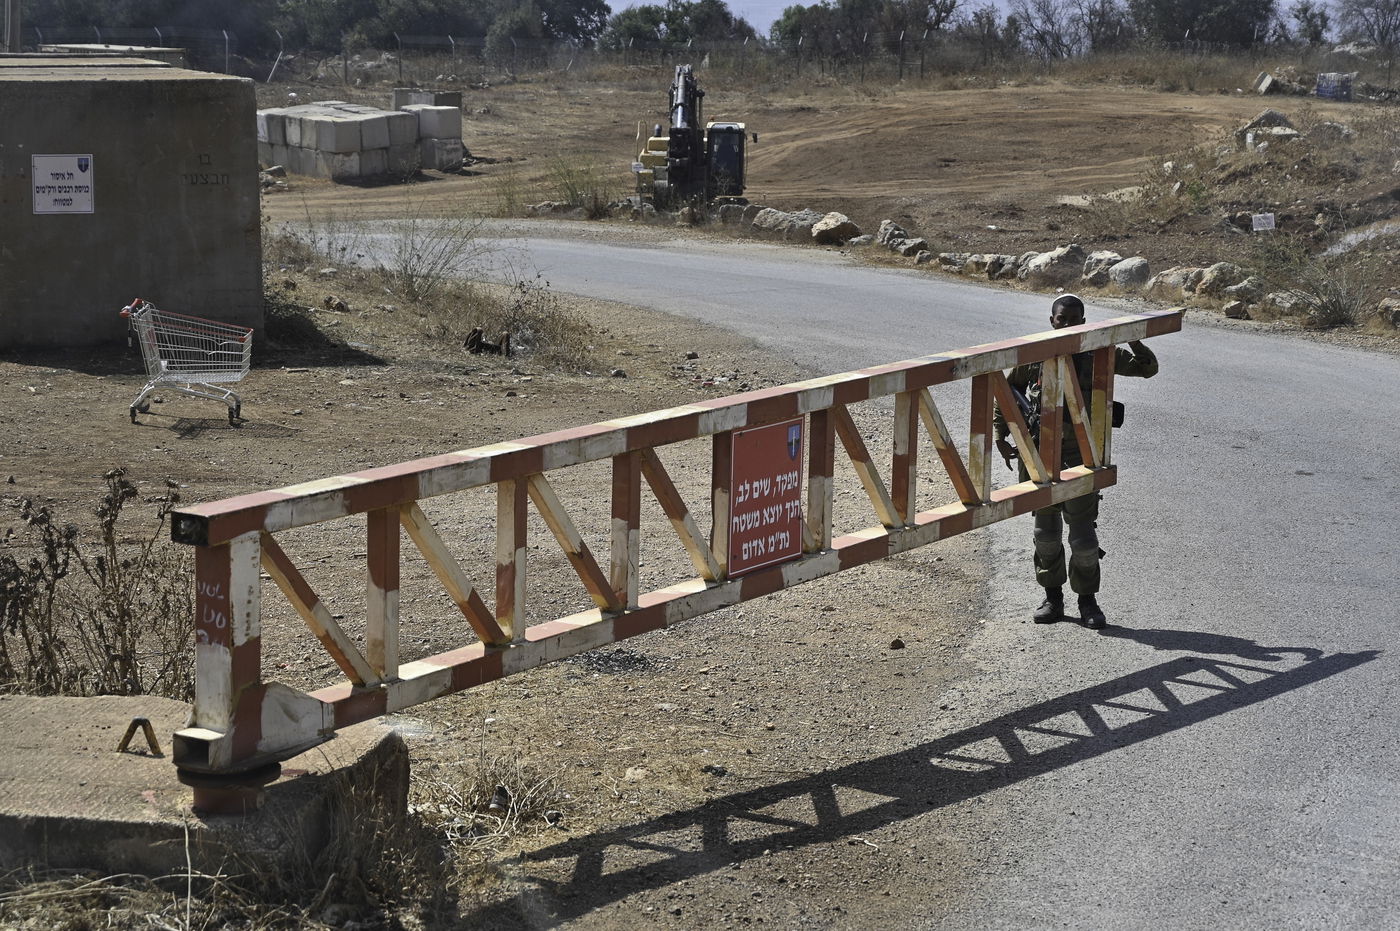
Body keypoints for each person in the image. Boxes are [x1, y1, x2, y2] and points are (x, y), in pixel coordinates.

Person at [993, 294, 1159, 629]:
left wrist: (1133, 339)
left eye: (1074, 320)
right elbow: (1009, 392)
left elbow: (1148, 368)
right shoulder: (1034, 354)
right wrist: (1000, 435)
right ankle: (1052, 598)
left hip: (1081, 455)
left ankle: (1087, 601)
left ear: (1084, 322)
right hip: (1038, 453)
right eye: (1061, 319)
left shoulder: (1099, 352)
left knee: (1083, 539)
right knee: (1046, 533)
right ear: (1051, 320)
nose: (1067, 325)